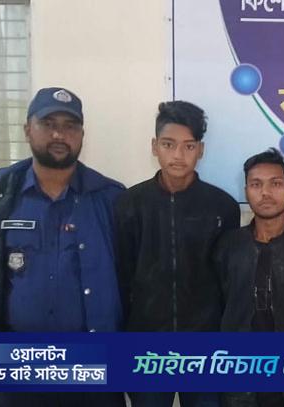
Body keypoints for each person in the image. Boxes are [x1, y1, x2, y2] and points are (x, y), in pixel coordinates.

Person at [0, 87, 125, 406]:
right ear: (28, 129)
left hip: (95, 364)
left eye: (70, 126)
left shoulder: (112, 199)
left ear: (82, 134)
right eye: (48, 123)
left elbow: (135, 280)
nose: (59, 134)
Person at [114, 101, 239, 407]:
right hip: (146, 345)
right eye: (169, 144)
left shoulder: (222, 207)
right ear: (154, 146)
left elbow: (229, 281)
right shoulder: (129, 204)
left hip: (205, 346)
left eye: (189, 146)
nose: (178, 155)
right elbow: (121, 277)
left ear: (201, 150)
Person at [213, 148, 284, 406]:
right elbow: (219, 307)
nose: (265, 193)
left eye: (275, 184)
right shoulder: (228, 247)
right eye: (256, 184)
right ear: (246, 191)